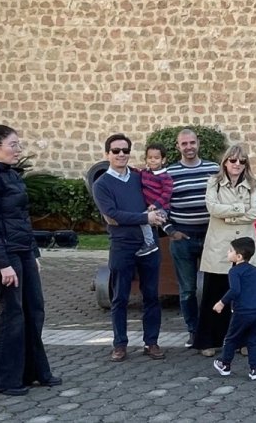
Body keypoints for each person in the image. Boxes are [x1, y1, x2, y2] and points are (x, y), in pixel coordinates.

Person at [0, 123, 58, 396]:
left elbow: (20, 219)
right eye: (13, 145)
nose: (18, 150)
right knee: (12, 315)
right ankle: (5, 380)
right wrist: (2, 263)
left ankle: (33, 373)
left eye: (19, 144)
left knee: (33, 310)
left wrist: (33, 254)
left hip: (20, 252)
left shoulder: (10, 174)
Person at [92, 133, 167, 363]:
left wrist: (158, 212)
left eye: (125, 150)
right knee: (120, 297)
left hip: (149, 245)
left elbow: (157, 197)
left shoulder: (139, 177)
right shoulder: (102, 184)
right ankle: (120, 344)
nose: (121, 154)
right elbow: (112, 216)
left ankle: (151, 342)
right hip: (122, 246)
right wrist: (146, 217)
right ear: (107, 154)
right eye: (116, 151)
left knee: (152, 296)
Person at [194, 145, 256, 357]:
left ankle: (243, 341)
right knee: (214, 294)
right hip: (220, 246)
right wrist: (239, 209)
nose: (237, 165)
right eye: (233, 161)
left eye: (242, 161)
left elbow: (255, 212)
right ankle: (208, 341)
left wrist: (229, 215)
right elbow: (212, 208)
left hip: (245, 246)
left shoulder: (252, 184)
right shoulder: (213, 183)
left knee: (244, 297)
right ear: (225, 162)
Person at [166, 128, 220, 348]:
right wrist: (170, 230)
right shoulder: (169, 173)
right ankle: (193, 330)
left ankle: (212, 330)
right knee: (187, 289)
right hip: (182, 238)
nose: (188, 147)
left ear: (198, 143)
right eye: (184, 144)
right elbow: (161, 205)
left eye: (192, 142)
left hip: (211, 236)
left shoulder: (214, 169)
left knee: (213, 288)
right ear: (178, 147)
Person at [211, 236, 256, 381]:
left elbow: (235, 290)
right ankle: (255, 369)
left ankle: (224, 363)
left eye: (230, 251)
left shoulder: (234, 271)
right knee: (253, 340)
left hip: (242, 311)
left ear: (238, 256)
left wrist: (222, 302)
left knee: (231, 338)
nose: (227, 253)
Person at [138, 144, 174, 257]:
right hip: (150, 207)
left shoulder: (165, 177)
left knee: (143, 219)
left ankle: (150, 243)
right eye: (150, 158)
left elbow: (167, 194)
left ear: (163, 160)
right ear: (146, 159)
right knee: (148, 219)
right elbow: (136, 172)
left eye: (156, 158)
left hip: (161, 207)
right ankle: (166, 226)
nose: (153, 160)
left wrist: (156, 204)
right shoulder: (145, 173)